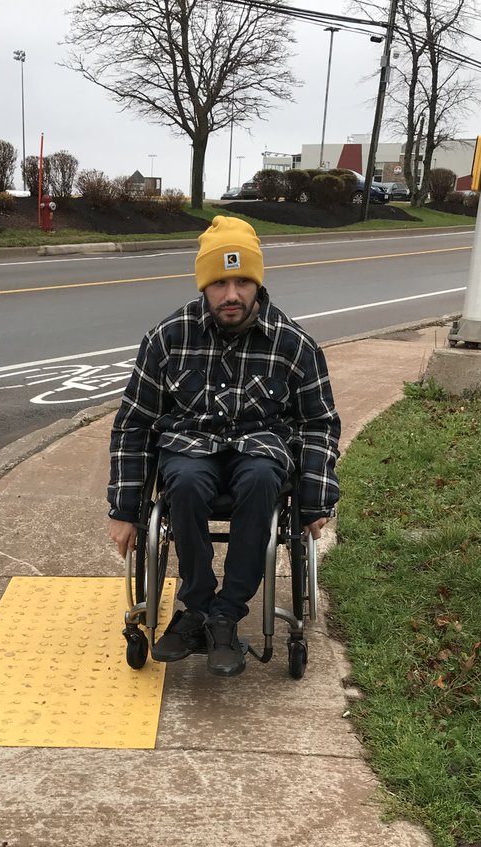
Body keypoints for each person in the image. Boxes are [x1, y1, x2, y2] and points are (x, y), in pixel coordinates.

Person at [107, 215, 341, 678]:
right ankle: (195, 605)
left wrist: (315, 501)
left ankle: (226, 613)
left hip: (260, 453)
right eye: (219, 283)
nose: (231, 295)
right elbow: (134, 423)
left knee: (259, 477)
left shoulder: (295, 346)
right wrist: (124, 509)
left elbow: (319, 424)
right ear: (204, 286)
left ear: (257, 283)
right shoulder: (167, 339)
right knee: (187, 480)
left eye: (241, 281)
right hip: (190, 448)